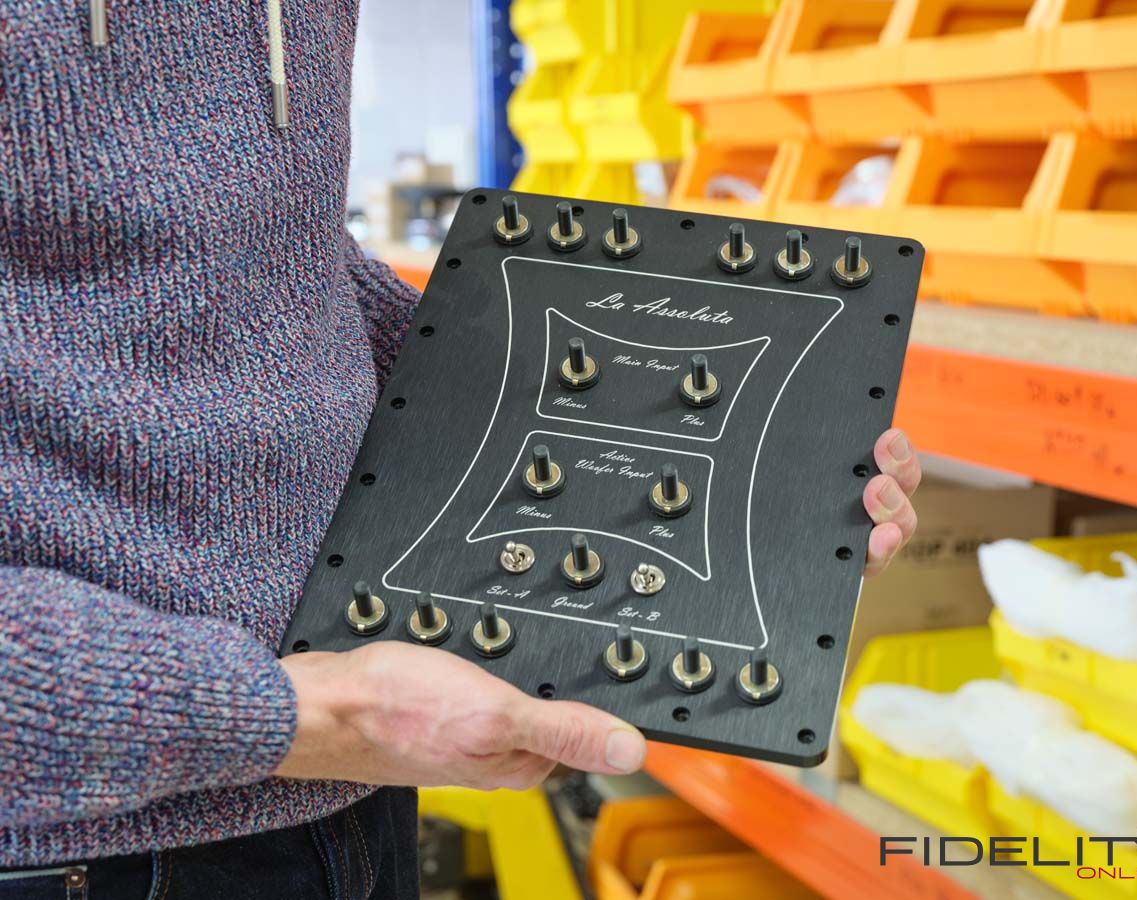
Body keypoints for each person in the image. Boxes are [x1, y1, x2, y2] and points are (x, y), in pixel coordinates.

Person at [0, 4, 921, 898]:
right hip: (88, 845)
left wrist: (715, 454)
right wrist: (288, 714)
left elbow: (266, 256)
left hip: (349, 787)